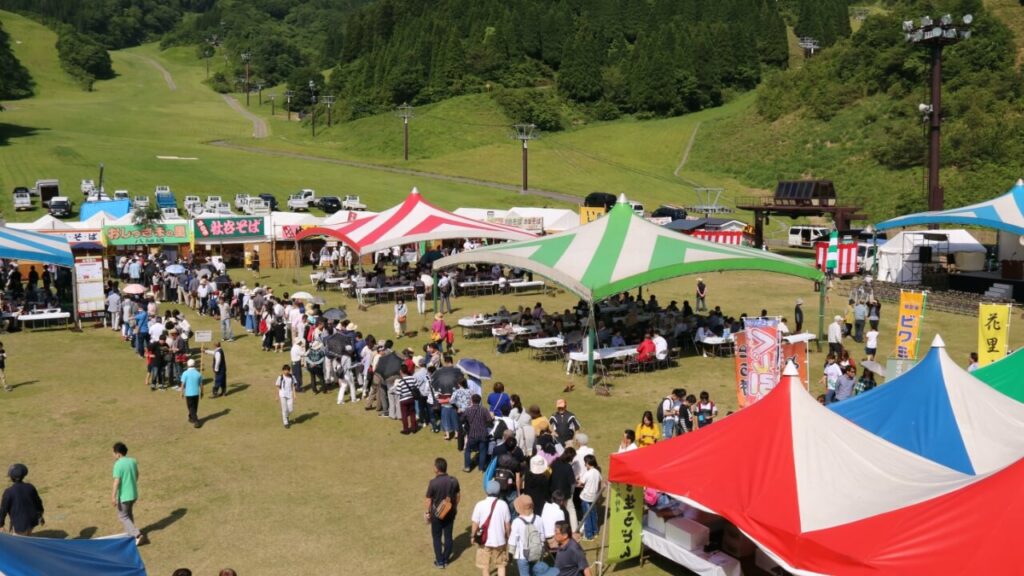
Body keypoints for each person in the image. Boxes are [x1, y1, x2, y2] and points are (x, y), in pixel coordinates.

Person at [425, 457, 461, 569]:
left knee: (436, 537)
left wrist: (427, 513)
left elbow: (428, 500)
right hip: (450, 513)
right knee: (448, 536)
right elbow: (458, 496)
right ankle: (446, 559)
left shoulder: (433, 483)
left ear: (437, 469)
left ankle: (440, 561)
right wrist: (454, 507)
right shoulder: (454, 480)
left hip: (436, 515)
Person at [471, 480, 511, 576]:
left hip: (484, 541)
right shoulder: (503, 505)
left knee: (485, 566)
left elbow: (475, 524)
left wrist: (473, 536)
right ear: (499, 492)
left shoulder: (479, 505)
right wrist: (508, 536)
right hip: (500, 540)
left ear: (486, 491)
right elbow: (508, 524)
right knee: (501, 565)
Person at [111, 442, 143, 545]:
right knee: (129, 514)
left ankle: (137, 534)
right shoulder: (133, 461)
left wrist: (113, 496)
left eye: (114, 453)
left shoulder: (118, 464)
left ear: (118, 454)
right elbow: (137, 475)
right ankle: (131, 534)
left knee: (123, 516)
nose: (113, 455)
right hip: (133, 494)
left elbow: (117, 481)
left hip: (124, 495)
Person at [508, 494, 547, 576]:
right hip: (536, 552)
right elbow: (542, 537)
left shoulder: (517, 522)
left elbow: (513, 540)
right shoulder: (539, 519)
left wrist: (510, 554)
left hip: (522, 555)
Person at [0, 463, 44, 535]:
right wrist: (40, 515)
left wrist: (1, 524)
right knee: (29, 537)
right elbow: (38, 502)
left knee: (18, 544)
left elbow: (3, 510)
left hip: (19, 526)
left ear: (11, 477)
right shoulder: (30, 487)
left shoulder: (8, 492)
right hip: (31, 522)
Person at [462, 394, 494, 472]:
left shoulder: (467, 410)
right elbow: (489, 420)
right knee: (483, 451)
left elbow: (462, 419)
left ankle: (467, 467)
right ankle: (481, 468)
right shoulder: (484, 409)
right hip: (483, 434)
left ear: (472, 401)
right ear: (479, 401)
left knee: (468, 450)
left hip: (472, 434)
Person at [577, 454, 602, 541]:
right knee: (593, 515)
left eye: (585, 463)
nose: (585, 465)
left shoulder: (587, 473)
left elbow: (580, 483)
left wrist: (577, 481)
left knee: (587, 516)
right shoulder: (597, 472)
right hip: (594, 497)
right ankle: (595, 532)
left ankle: (589, 535)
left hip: (586, 497)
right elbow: (599, 483)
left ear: (588, 463)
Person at [180, 359, 204, 428]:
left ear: (188, 365)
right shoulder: (198, 373)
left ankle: (196, 421)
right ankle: (190, 417)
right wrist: (202, 392)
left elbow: (182, 384)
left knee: (191, 407)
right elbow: (201, 385)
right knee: (194, 407)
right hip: (196, 393)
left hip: (189, 393)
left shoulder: (185, 373)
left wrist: (181, 392)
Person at [275, 364, 296, 429]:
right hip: (282, 395)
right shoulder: (280, 377)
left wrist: (294, 394)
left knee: (290, 409)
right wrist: (277, 395)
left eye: (287, 370)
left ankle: (286, 416)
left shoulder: (292, 377)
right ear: (283, 370)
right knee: (284, 409)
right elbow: (278, 386)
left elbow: (293, 386)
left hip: (289, 394)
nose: (286, 371)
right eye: (285, 370)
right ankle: (285, 422)